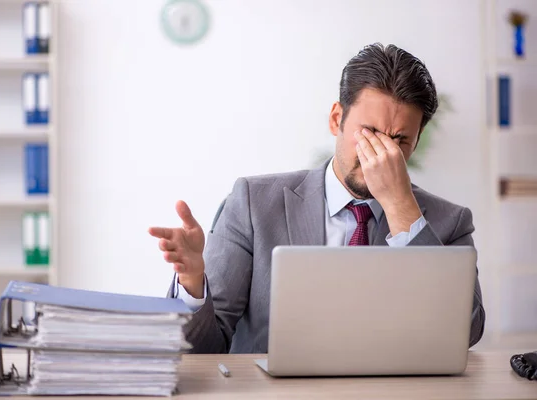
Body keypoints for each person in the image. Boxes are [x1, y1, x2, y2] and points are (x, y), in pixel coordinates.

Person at [148, 43, 486, 354]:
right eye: (369, 134)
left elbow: (466, 330)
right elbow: (204, 348)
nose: (380, 154)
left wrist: (401, 208)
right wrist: (193, 282)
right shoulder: (253, 204)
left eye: (400, 141)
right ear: (337, 118)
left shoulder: (449, 222)